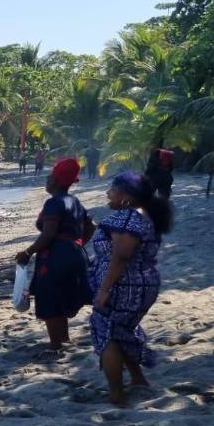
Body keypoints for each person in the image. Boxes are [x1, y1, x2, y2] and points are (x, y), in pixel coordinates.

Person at [90, 172, 172, 406]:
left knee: (108, 333)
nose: (108, 193)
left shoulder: (128, 218)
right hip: (141, 284)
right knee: (120, 330)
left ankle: (117, 393)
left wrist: (104, 289)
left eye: (112, 189)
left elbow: (122, 256)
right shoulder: (143, 216)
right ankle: (138, 379)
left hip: (123, 286)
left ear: (127, 195)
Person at [16, 158, 94, 353]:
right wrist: (76, 244)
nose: (47, 179)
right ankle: (64, 339)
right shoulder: (74, 201)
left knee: (50, 298)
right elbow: (91, 226)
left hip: (56, 257)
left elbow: (48, 234)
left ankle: (55, 345)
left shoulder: (54, 203)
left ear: (57, 181)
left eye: (50, 177)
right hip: (75, 255)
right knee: (62, 296)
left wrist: (28, 252)